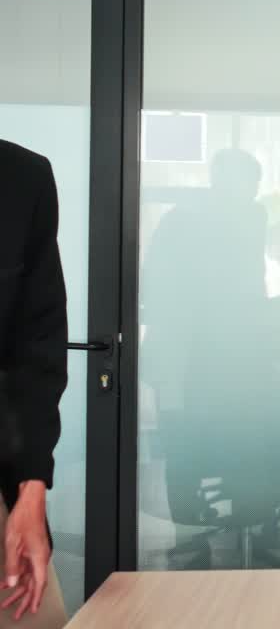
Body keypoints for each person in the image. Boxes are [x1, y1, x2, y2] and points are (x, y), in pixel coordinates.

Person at [0, 139, 69, 627]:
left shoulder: (22, 176)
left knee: (36, 617)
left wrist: (31, 486)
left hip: (5, 469)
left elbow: (39, 344)